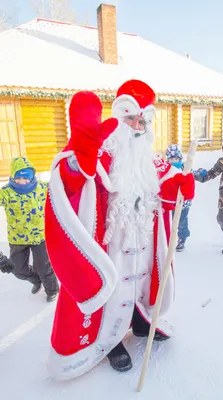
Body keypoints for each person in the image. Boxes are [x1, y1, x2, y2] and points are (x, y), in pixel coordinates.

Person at [44, 80, 195, 380]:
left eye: (145, 119)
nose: (138, 125)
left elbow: (165, 187)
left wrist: (180, 187)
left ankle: (139, 320)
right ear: (117, 117)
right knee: (114, 288)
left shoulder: (150, 159)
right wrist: (79, 156)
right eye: (131, 117)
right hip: (112, 243)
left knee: (141, 282)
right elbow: (72, 181)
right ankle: (110, 340)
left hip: (144, 238)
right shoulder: (100, 153)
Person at [0, 157, 59, 301]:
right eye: (18, 177)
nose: (22, 181)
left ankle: (52, 290)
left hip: (39, 237)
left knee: (44, 267)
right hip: (17, 238)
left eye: (26, 177)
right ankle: (35, 279)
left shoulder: (42, 188)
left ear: (32, 176)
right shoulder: (6, 193)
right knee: (18, 270)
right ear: (13, 177)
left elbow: (62, 187)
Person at [166, 144, 192, 251]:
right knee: (171, 221)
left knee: (181, 221)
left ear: (180, 158)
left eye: (176, 158)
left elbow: (192, 175)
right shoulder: (167, 170)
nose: (174, 161)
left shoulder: (185, 168)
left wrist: (200, 174)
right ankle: (170, 240)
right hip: (171, 201)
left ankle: (182, 239)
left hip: (184, 202)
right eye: (171, 159)